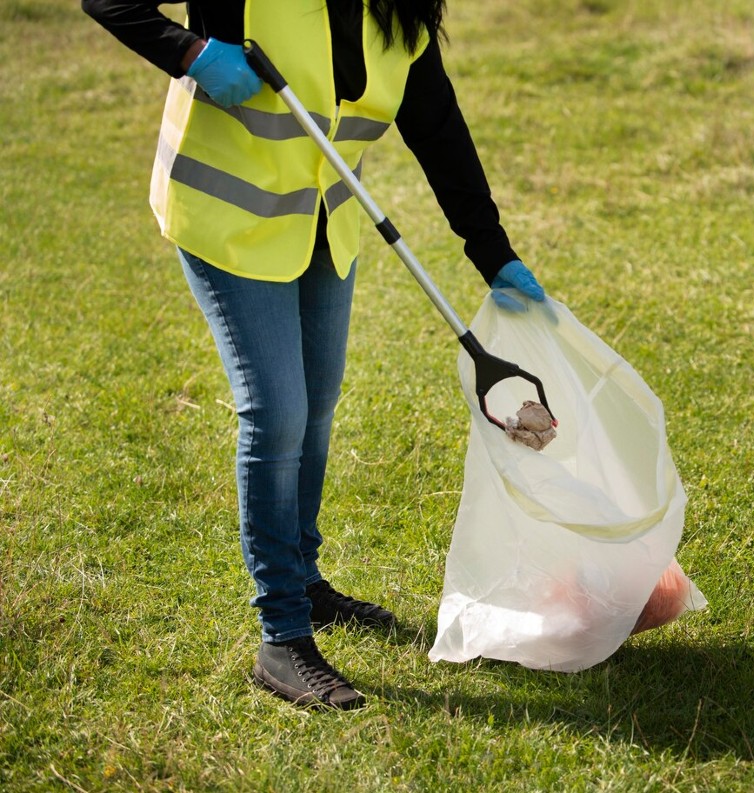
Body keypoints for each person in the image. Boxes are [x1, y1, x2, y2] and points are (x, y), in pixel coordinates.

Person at [82, 0, 547, 709]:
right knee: (278, 412)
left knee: (318, 406)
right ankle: (283, 634)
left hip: (322, 224)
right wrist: (191, 52)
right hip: (227, 218)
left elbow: (439, 131)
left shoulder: (400, 15)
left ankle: (303, 578)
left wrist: (494, 255)